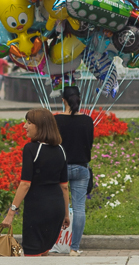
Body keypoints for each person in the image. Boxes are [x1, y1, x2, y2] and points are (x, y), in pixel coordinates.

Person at [1, 109, 71, 256]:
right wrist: (65, 215)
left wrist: (11, 212)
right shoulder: (60, 150)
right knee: (44, 253)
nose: (24, 126)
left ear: (40, 126)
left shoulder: (31, 149)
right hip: (56, 209)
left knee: (32, 255)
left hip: (38, 210)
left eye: (29, 123)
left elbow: (25, 184)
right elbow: (64, 186)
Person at [55, 85, 95, 255]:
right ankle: (74, 248)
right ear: (79, 99)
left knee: (57, 206)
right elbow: (90, 144)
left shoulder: (56, 120)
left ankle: (52, 243)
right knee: (79, 208)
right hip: (81, 167)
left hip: (60, 168)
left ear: (63, 100)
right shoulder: (88, 120)